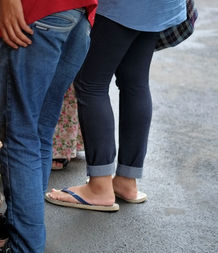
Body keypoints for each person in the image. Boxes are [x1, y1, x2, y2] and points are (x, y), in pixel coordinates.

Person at [0, 0, 97, 253]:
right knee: (39, 130)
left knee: (19, 136)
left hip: (37, 17)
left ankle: (22, 251)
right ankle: (22, 222)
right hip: (76, 17)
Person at [45, 0, 187, 211]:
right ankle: (126, 181)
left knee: (91, 83)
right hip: (159, 5)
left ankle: (100, 186)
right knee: (135, 82)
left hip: (121, 7)